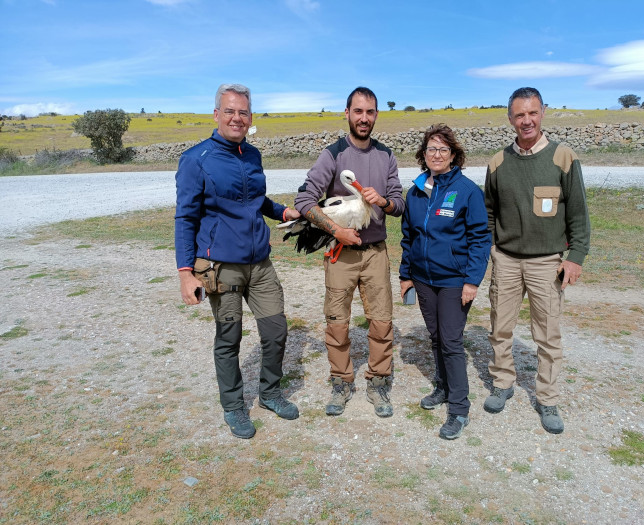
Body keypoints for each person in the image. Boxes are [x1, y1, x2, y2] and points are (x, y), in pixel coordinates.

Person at [175, 83, 301, 440]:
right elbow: (185, 218)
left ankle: (270, 393)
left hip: (260, 263)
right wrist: (186, 273)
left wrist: (282, 211)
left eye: (243, 112)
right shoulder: (195, 160)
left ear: (250, 117)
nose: (236, 118)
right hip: (221, 266)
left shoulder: (252, 155)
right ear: (216, 115)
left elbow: (255, 199)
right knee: (228, 337)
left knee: (276, 330)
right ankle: (233, 406)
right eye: (229, 111)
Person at [483, 87, 590, 434]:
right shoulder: (498, 162)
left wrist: (575, 257)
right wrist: (489, 251)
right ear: (510, 118)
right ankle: (502, 383)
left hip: (548, 262)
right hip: (507, 259)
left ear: (543, 112)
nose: (526, 120)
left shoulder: (562, 157)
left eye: (532, 113)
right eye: (519, 115)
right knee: (500, 327)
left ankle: (547, 398)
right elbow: (488, 212)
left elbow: (578, 212)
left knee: (547, 335)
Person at [294, 86, 405, 418]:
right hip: (341, 253)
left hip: (375, 253)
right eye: (358, 111)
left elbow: (398, 203)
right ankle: (341, 382)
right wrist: (336, 231)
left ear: (376, 116)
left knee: (382, 322)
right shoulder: (333, 155)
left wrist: (383, 201)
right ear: (347, 113)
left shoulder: (386, 156)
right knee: (337, 323)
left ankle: (379, 381)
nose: (364, 118)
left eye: (370, 112)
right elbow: (303, 201)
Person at [399, 124, 491, 440]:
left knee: (451, 341)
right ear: (423, 155)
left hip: (455, 280)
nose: (437, 155)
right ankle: (442, 387)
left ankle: (459, 409)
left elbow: (480, 238)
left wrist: (472, 281)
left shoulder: (467, 191)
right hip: (423, 279)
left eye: (443, 149)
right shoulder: (415, 191)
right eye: (431, 149)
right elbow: (408, 237)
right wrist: (405, 275)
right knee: (436, 336)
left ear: (454, 155)